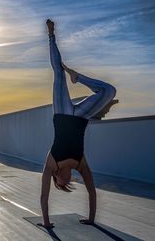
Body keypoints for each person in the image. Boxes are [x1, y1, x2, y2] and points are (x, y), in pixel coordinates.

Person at [39, 19, 117, 228]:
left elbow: (44, 195)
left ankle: (51, 36)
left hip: (63, 112)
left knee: (58, 73)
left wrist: (46, 222)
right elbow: (92, 191)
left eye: (63, 185)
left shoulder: (51, 164)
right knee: (109, 91)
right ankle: (96, 98)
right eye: (68, 184)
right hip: (82, 117)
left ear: (57, 178)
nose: (68, 183)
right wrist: (91, 219)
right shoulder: (80, 164)